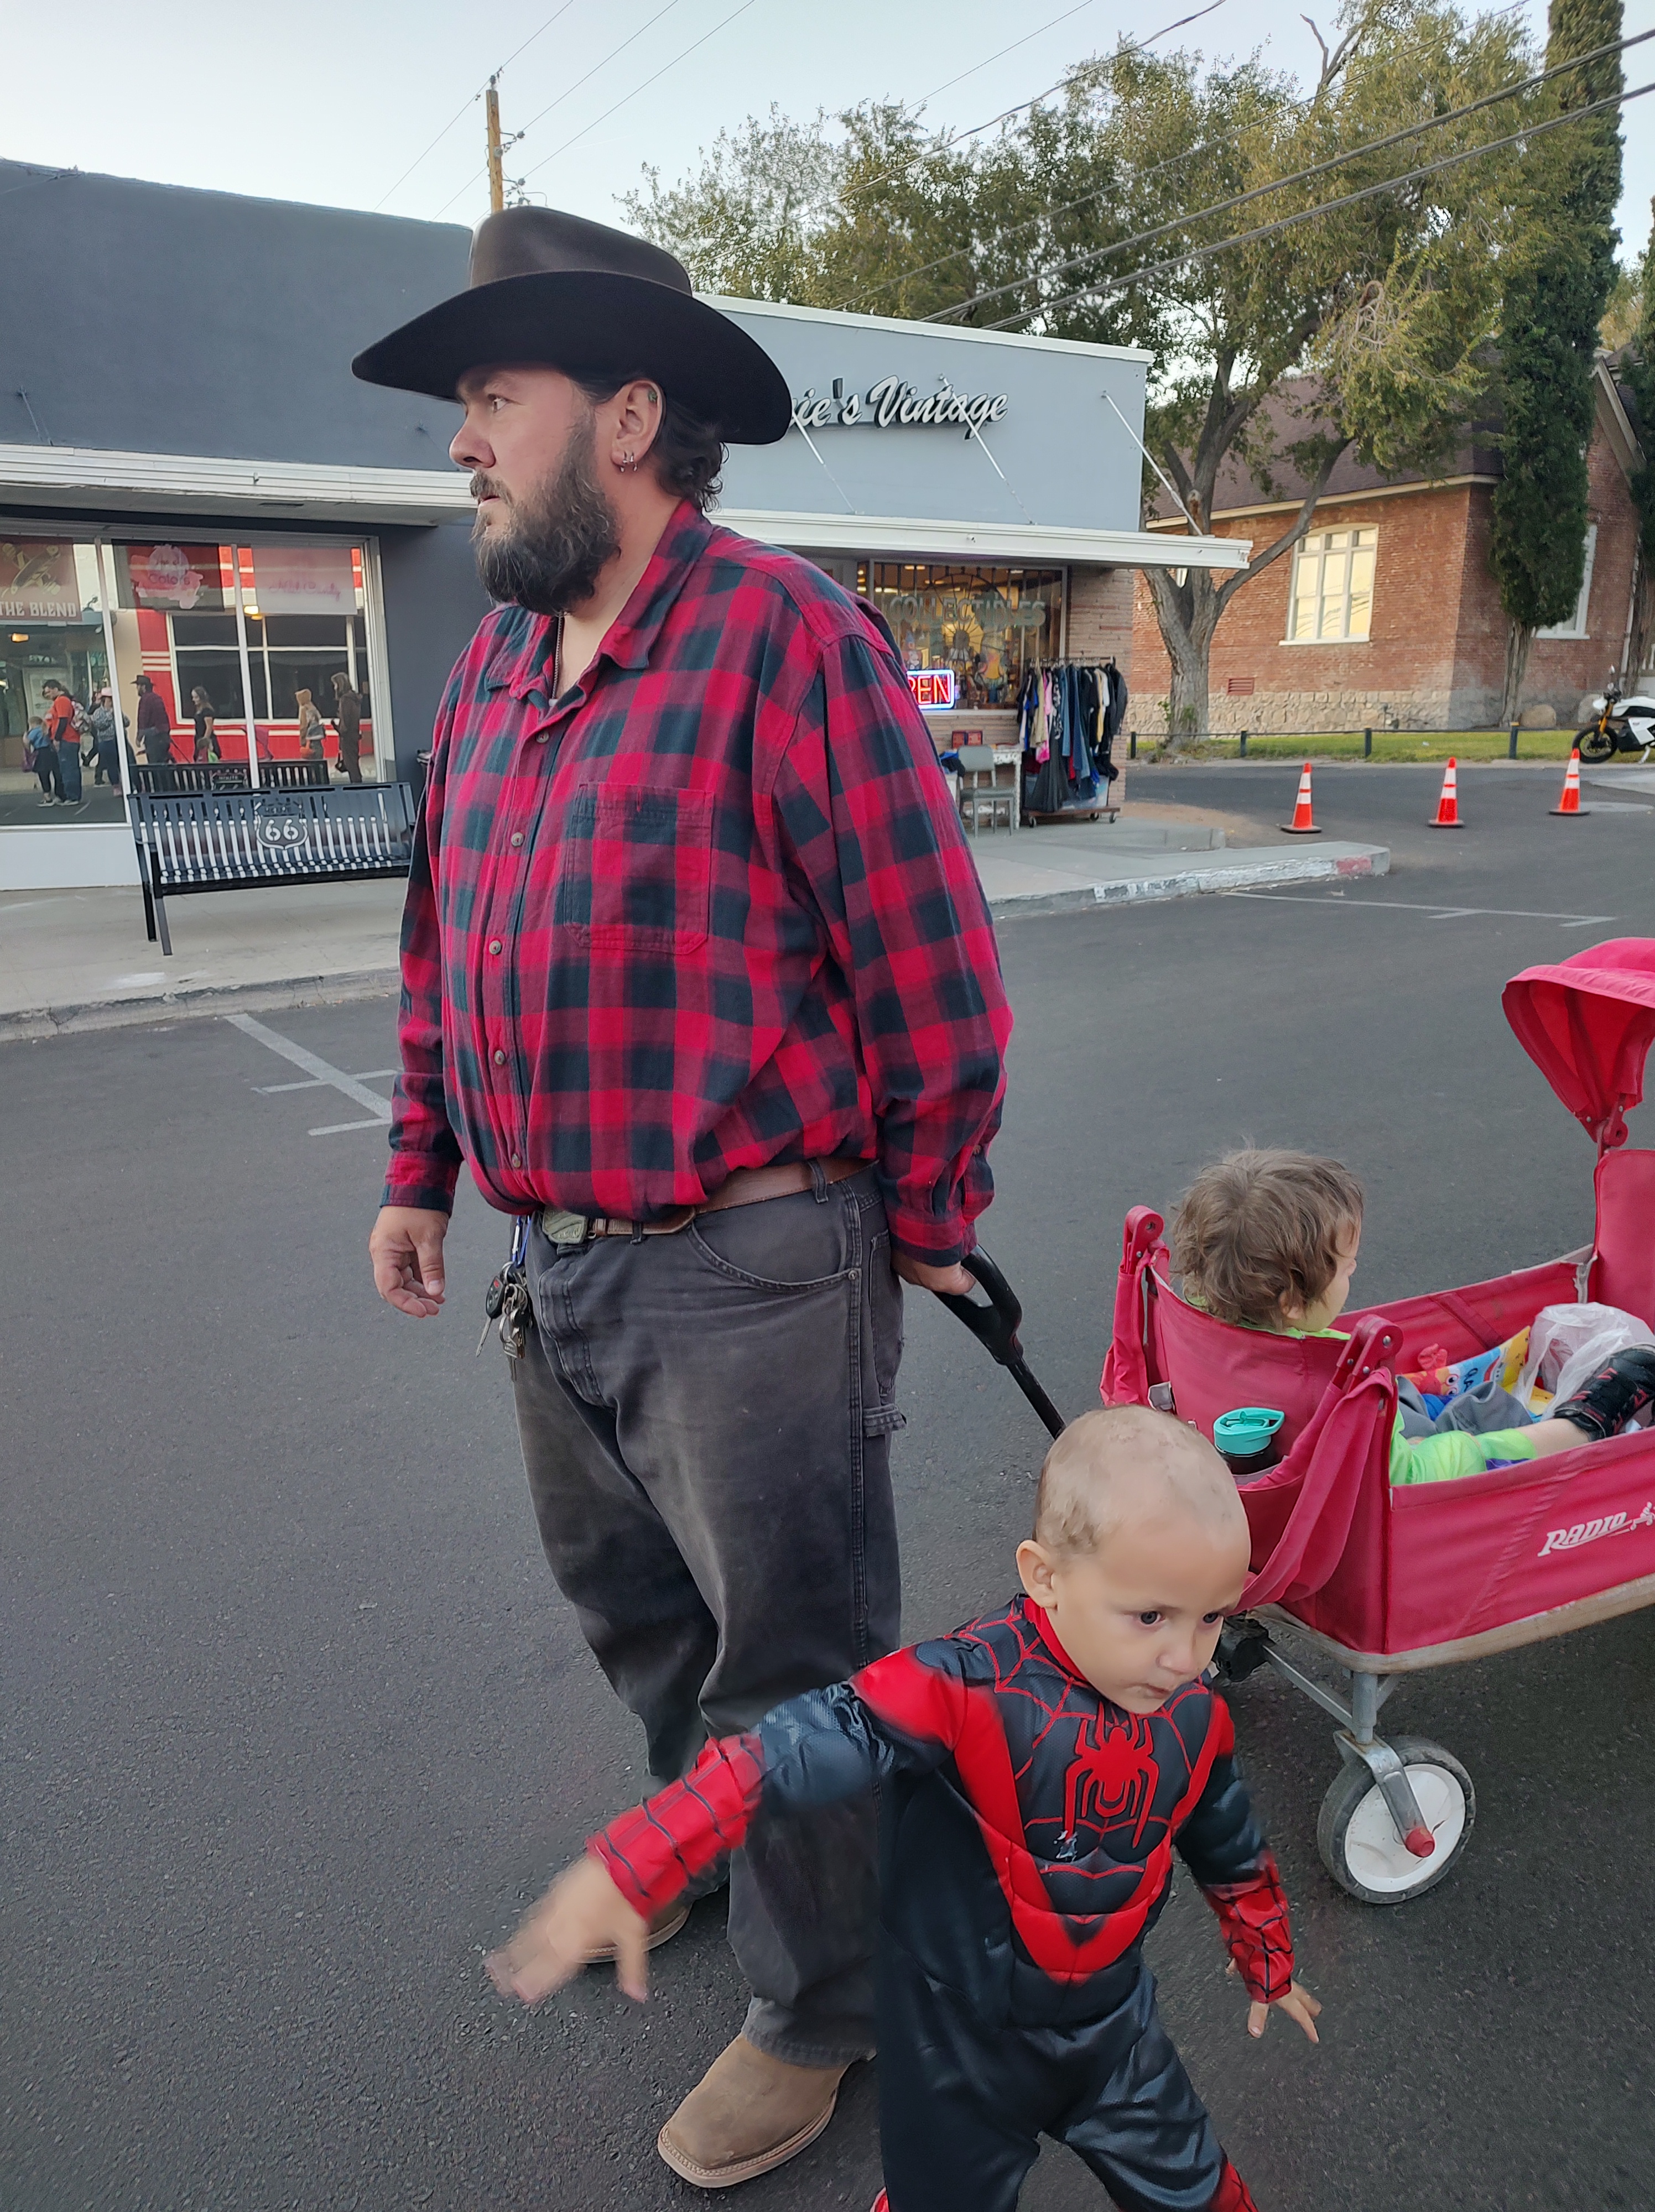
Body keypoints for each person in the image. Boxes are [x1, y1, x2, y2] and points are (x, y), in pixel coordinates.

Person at [358, 204, 1011, 2184]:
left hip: (754, 1269)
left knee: (790, 1662)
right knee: (641, 1620)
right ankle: (733, 1847)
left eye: (496, 398)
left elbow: (932, 971)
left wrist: (920, 1220)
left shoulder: (787, 639)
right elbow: (443, 938)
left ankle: (823, 2010)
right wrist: (420, 1163)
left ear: (628, 415)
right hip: (555, 1273)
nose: (463, 442)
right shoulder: (496, 667)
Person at [487, 1408, 1320, 2212]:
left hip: (1114, 2035)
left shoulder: (1194, 1720)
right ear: (1045, 1577)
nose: (1183, 1656)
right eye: (1150, 1616)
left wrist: (1267, 1958)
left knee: (1201, 2191)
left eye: (1211, 1617)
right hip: (957, 2047)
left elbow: (1230, 1845)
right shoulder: (960, 1687)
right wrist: (638, 1859)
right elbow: (791, 1750)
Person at [1170, 1150, 1655, 1481]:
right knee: (1495, 1415)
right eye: (1346, 1267)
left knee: (1438, 1400)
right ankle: (1581, 1425)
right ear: (1291, 1304)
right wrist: (1552, 1434)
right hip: (1386, 1469)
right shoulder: (1330, 1374)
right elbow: (1410, 1476)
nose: (1354, 1269)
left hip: (1310, 1447)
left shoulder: (1198, 1326)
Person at [41, 680, 82, 804]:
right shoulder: (62, 700)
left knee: (68, 769)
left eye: (49, 692)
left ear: (55, 689)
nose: (48, 695)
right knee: (67, 768)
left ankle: (72, 796)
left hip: (67, 739)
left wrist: (57, 738)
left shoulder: (62, 701)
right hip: (68, 739)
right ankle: (70, 795)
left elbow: (63, 721)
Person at [329, 671, 363, 783]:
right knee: (354, 763)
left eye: (335, 684)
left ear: (340, 684)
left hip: (347, 737)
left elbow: (345, 722)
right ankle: (358, 784)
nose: (335, 688)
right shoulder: (354, 699)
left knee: (350, 764)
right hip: (355, 735)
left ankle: (356, 786)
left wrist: (337, 728)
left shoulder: (345, 700)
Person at [135, 675, 172, 766]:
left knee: (154, 766)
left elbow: (143, 719)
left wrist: (139, 738)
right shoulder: (158, 698)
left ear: (143, 687)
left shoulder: (145, 700)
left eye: (138, 686)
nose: (137, 688)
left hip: (153, 738)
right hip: (164, 737)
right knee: (163, 765)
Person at [90, 688, 122, 790]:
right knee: (111, 764)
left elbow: (127, 722)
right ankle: (116, 785)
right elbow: (100, 725)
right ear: (104, 701)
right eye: (109, 701)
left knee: (124, 763)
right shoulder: (98, 712)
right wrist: (110, 715)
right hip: (106, 741)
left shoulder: (116, 710)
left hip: (119, 740)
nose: (111, 703)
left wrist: (120, 716)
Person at [25, 711, 60, 804]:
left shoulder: (35, 731)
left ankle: (47, 796)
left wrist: (26, 736)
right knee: (54, 772)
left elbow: (28, 742)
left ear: (32, 724)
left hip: (40, 753)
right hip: (50, 751)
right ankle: (58, 794)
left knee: (43, 775)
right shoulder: (45, 729)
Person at [295, 686, 325, 761]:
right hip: (317, 739)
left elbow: (304, 726)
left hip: (309, 740)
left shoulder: (303, 709)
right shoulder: (313, 708)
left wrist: (302, 740)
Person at [189, 686, 217, 763]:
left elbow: (209, 728)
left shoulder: (207, 711)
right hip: (199, 738)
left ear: (201, 698)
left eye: (196, 697)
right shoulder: (199, 710)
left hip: (205, 740)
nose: (194, 700)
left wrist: (205, 742)